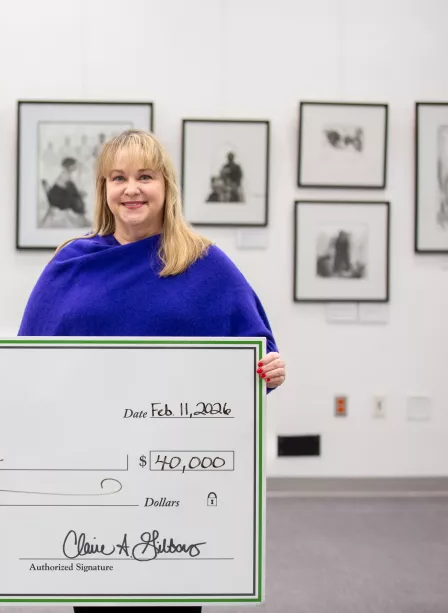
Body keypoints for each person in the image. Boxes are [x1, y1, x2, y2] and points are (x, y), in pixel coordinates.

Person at [17, 129, 285, 613]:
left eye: (145, 176)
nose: (131, 189)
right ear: (103, 188)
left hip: (175, 475)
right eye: (118, 178)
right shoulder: (71, 263)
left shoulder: (204, 262)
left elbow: (255, 350)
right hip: (91, 470)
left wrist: (270, 369)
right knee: (98, 596)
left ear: (166, 186)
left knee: (172, 595)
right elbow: (27, 360)